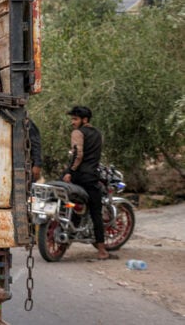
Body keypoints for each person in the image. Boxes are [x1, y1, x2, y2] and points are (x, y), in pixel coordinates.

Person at [62, 106, 115, 260]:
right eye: (72, 119)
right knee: (96, 212)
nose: (72, 122)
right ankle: (102, 251)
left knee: (68, 201)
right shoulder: (98, 134)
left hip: (78, 176)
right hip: (91, 177)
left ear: (84, 120)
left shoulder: (77, 133)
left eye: (75, 119)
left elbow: (77, 155)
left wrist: (69, 171)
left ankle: (68, 236)